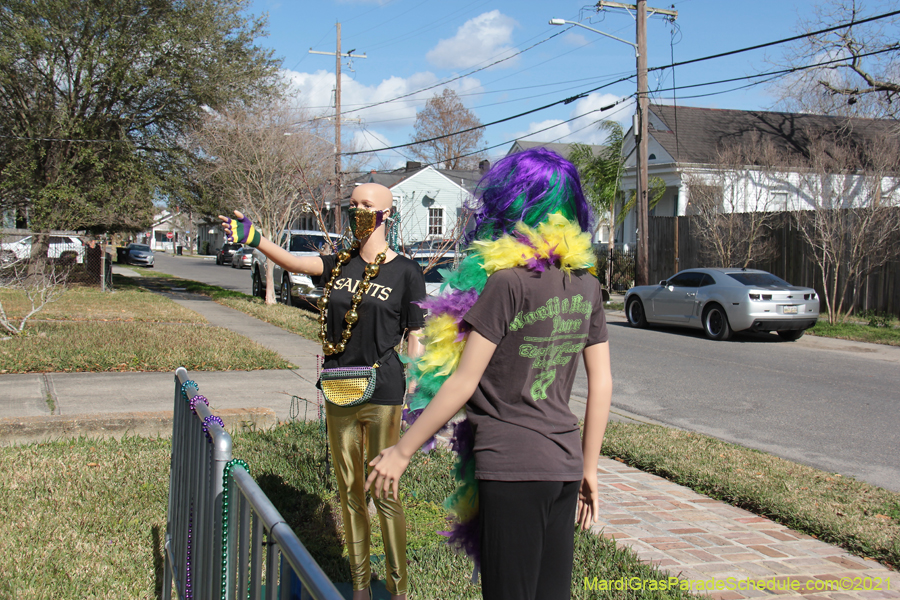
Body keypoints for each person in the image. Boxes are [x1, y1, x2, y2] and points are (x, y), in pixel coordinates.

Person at [364, 148, 613, 600]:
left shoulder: (507, 283)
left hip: (512, 466)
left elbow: (464, 381)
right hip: (565, 465)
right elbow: (603, 384)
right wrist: (590, 469)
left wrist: (402, 450)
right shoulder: (588, 285)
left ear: (513, 201)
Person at [220, 183, 425, 600]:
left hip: (384, 390)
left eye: (367, 205)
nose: (358, 211)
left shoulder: (407, 271)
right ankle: (363, 588)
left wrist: (414, 379)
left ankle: (400, 589)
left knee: (384, 492)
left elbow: (416, 335)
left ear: (387, 213)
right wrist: (256, 239)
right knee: (350, 492)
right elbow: (293, 261)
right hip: (339, 388)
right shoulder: (337, 264)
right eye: (353, 205)